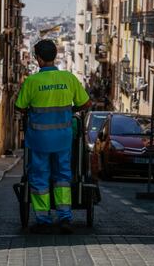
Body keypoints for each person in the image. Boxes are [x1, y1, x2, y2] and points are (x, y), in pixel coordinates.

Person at [15, 39, 91, 234]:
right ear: (55, 56)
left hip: (39, 140)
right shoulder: (69, 78)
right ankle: (65, 217)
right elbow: (85, 104)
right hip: (63, 139)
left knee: (40, 178)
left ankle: (43, 219)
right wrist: (70, 110)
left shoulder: (32, 81)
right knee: (63, 177)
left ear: (38, 59)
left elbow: (20, 107)